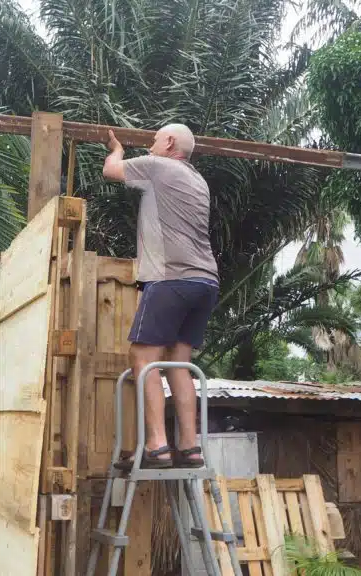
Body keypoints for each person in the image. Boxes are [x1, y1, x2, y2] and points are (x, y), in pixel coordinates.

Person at [102, 123, 219, 469]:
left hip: (171, 279)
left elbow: (111, 170)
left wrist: (117, 149)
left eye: (154, 140)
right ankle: (190, 447)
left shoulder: (159, 167)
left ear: (169, 143)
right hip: (206, 282)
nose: (150, 146)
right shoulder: (198, 180)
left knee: (143, 359)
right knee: (179, 364)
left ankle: (156, 446)